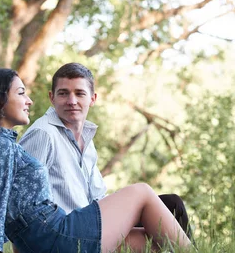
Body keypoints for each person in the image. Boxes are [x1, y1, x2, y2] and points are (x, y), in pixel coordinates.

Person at [0, 68, 191, 253]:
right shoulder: (4, 146)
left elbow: (8, 208)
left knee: (155, 241)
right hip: (56, 236)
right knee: (141, 191)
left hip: (55, 239)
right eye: (21, 93)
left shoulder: (3, 145)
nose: (29, 100)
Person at [18, 62, 192, 239]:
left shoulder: (86, 137)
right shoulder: (43, 134)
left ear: (92, 99)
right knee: (148, 205)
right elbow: (20, 198)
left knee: (172, 204)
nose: (72, 101)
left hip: (92, 221)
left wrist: (124, 218)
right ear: (52, 98)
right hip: (68, 230)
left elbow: (98, 195)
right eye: (63, 93)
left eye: (79, 93)